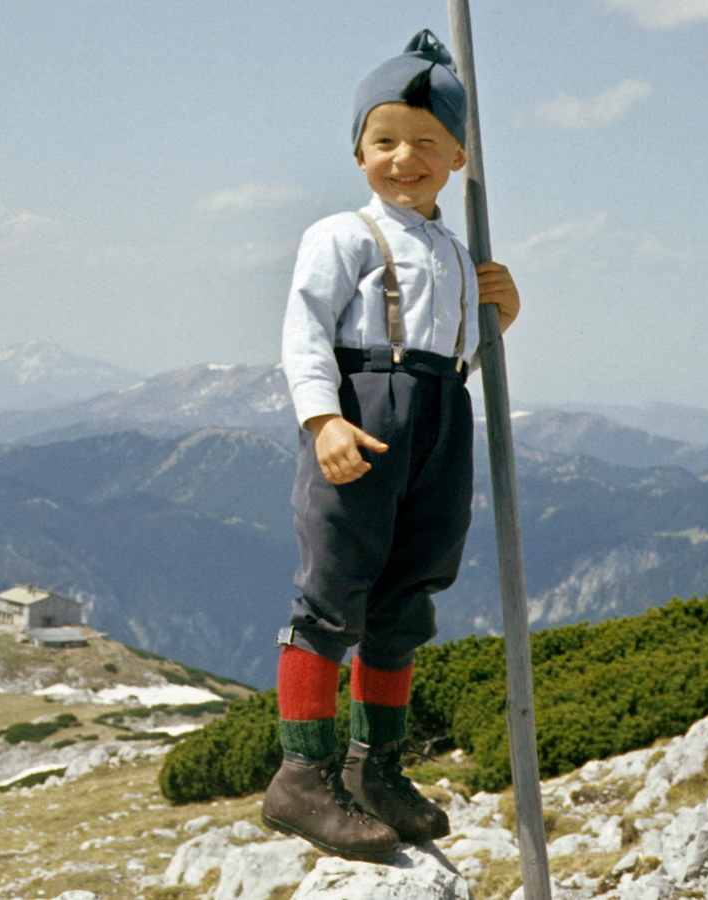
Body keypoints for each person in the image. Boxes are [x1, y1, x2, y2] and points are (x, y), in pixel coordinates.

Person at [260, 29, 522, 863]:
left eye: (425, 143)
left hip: (441, 415)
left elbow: (452, 356)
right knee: (335, 589)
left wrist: (497, 322)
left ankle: (377, 768)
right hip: (364, 414)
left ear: (457, 157)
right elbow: (304, 332)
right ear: (358, 150)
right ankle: (302, 776)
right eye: (383, 141)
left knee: (407, 596)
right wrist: (322, 419)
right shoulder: (341, 235)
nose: (403, 158)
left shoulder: (457, 251)